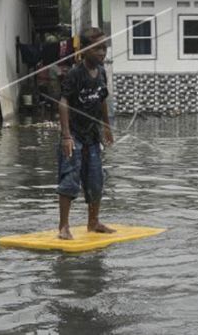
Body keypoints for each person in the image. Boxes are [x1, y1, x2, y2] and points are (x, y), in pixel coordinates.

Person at [56, 27, 115, 240]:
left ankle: (93, 222)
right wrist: (66, 136)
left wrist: (106, 126)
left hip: (92, 136)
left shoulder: (101, 73)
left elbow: (102, 100)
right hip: (74, 136)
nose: (102, 53)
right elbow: (63, 102)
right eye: (97, 48)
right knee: (70, 179)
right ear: (84, 49)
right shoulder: (75, 74)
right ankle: (64, 226)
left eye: (104, 48)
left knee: (96, 179)